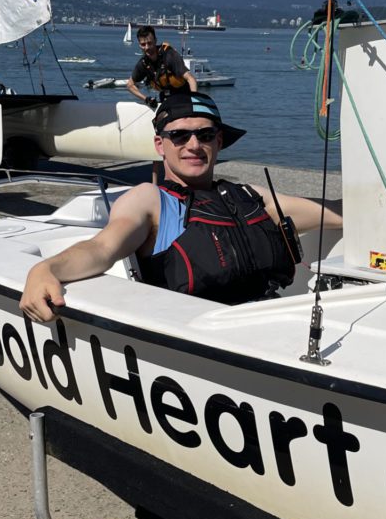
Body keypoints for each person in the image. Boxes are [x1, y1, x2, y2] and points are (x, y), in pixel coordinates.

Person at [20, 92, 343, 322]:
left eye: (205, 134)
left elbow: (335, 212)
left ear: (219, 142)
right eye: (179, 136)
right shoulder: (150, 200)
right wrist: (46, 270)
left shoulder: (253, 197)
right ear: (160, 144)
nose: (193, 145)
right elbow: (102, 248)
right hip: (197, 335)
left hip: (271, 322)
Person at [126, 25, 198, 109]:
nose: (147, 47)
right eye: (143, 44)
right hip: (166, 99)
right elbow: (130, 85)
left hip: (184, 96)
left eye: (149, 43)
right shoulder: (143, 64)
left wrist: (195, 103)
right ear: (139, 45)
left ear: (155, 41)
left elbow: (191, 79)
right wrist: (146, 99)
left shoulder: (170, 56)